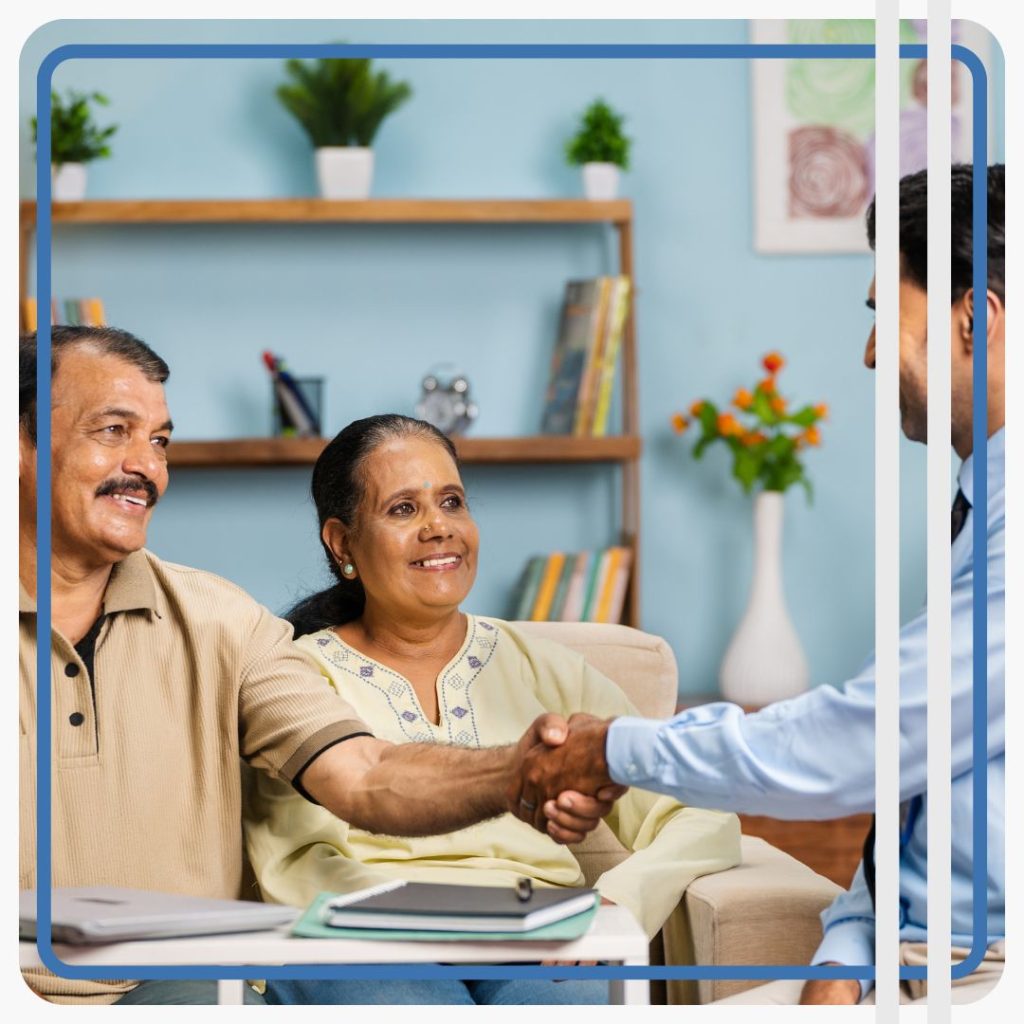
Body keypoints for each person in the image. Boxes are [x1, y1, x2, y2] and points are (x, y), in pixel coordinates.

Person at [510, 163, 1006, 1005]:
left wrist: (611, 746)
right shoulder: (979, 509)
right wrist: (848, 949)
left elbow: (859, 747)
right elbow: (921, 785)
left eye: (889, 316)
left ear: (975, 320)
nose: (873, 352)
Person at [18, 327, 613, 1007]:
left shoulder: (225, 623)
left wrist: (516, 772)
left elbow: (364, 775)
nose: (145, 467)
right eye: (114, 430)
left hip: (179, 988)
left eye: (159, 441)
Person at [242, 413, 741, 1006]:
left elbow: (699, 809)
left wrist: (619, 900)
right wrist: (424, 927)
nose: (439, 528)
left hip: (534, 944)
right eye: (404, 509)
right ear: (343, 542)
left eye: (452, 502)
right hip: (360, 945)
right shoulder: (292, 673)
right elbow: (295, 862)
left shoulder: (548, 669)